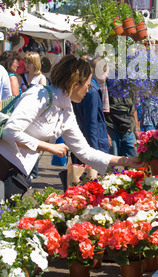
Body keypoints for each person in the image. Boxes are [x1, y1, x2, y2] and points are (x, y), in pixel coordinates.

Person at [0, 55, 143, 201]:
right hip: (4, 163)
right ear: (75, 83)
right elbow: (10, 131)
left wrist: (125, 161)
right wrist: (49, 147)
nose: (88, 90)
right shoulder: (39, 95)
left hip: (17, 173)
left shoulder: (66, 110)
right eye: (88, 84)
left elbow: (85, 152)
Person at [72, 57, 110, 163]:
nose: (107, 75)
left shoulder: (85, 88)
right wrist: (93, 152)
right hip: (94, 142)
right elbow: (91, 123)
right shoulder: (91, 91)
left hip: (84, 141)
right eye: (105, 71)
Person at [104, 80, 140, 157]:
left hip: (128, 129)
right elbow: (101, 110)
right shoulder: (107, 84)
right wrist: (105, 132)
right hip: (111, 126)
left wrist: (136, 128)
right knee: (112, 162)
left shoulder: (130, 85)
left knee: (133, 159)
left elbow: (134, 108)